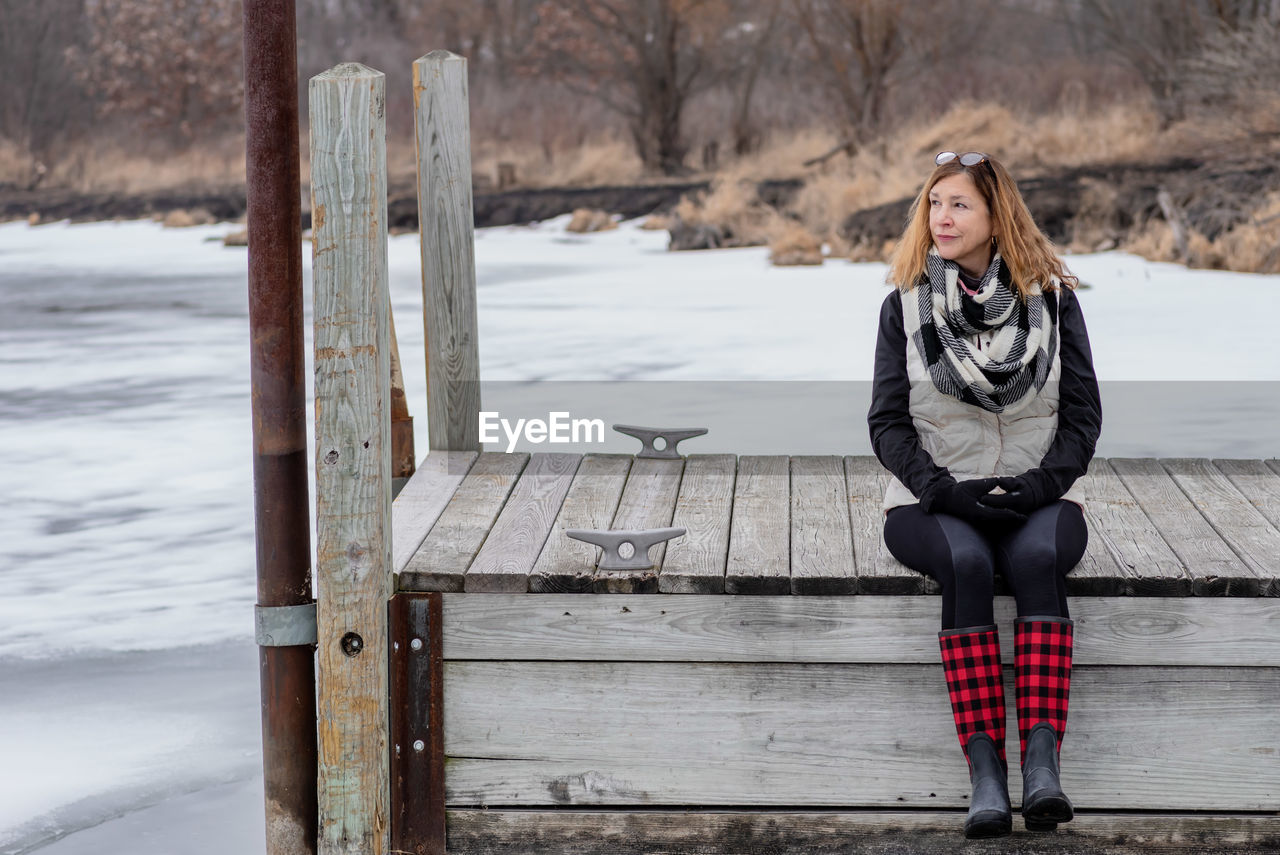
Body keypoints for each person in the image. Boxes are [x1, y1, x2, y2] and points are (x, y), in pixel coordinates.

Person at [867, 150, 1102, 839]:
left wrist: (1041, 485)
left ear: (997, 216)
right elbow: (886, 424)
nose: (942, 217)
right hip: (933, 501)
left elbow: (1083, 418)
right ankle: (986, 775)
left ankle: (1041, 766)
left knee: (1035, 562)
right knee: (967, 564)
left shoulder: (1054, 303)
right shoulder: (904, 306)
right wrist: (943, 490)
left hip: (1042, 494)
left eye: (960, 204)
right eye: (935, 203)